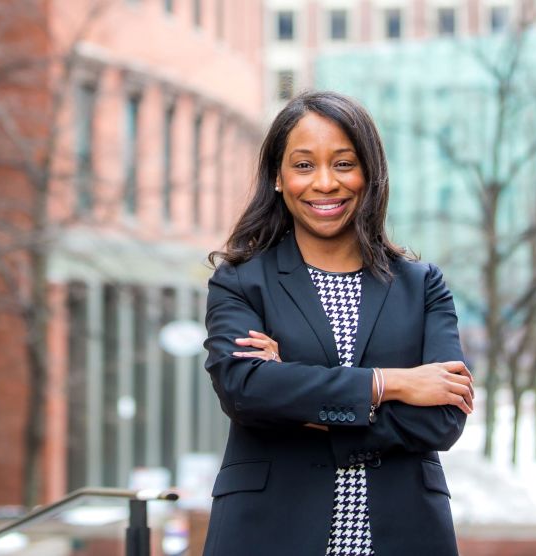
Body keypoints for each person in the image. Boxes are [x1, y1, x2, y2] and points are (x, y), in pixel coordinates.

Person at [202, 90, 474, 556]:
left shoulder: (422, 285)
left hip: (404, 535)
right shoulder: (242, 282)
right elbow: (245, 390)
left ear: (370, 174)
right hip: (270, 533)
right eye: (304, 165)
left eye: (344, 164)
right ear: (278, 178)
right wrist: (391, 384)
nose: (325, 183)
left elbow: (443, 419)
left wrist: (294, 398)